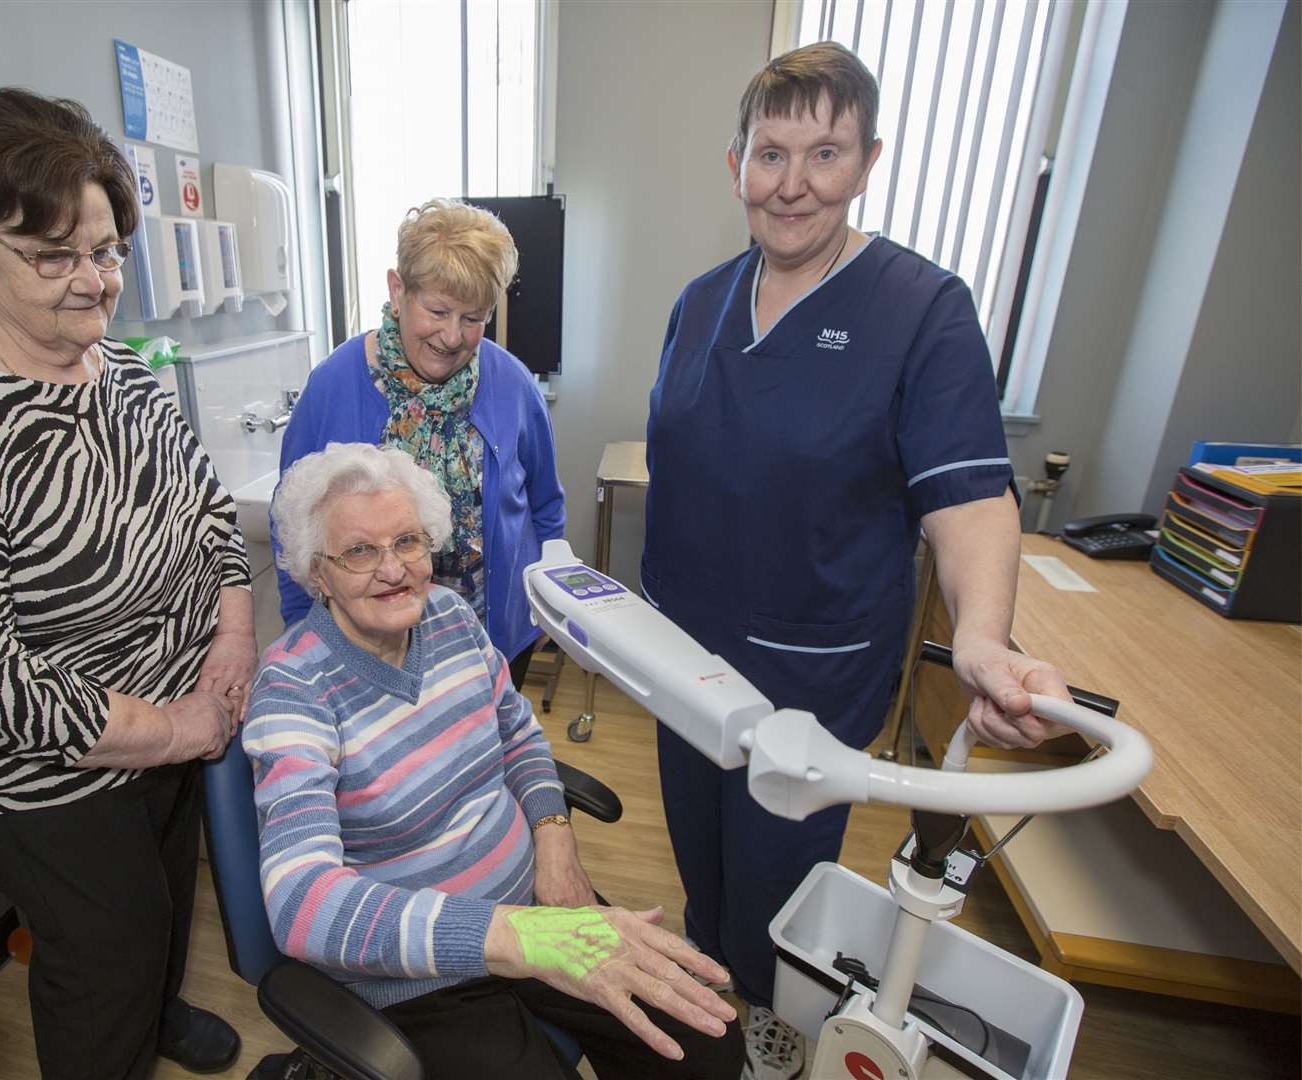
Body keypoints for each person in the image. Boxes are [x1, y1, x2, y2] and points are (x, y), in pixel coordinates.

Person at [642, 44, 1074, 1080]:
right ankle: (721, 1028)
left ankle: (773, 1038)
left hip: (810, 674)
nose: (793, 182)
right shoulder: (700, 302)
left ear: (869, 160)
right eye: (770, 153)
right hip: (684, 665)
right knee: (702, 875)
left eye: (825, 153)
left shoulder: (921, 310)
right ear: (735, 162)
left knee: (776, 893)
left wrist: (981, 637)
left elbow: (969, 494)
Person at [0, 88, 253, 1080]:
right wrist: (176, 729)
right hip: (44, 772)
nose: (94, 282)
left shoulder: (117, 369)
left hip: (171, 721)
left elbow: (207, 508)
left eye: (109, 250)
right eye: (55, 256)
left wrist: (232, 638)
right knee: (101, 958)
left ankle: (156, 1011)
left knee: (160, 908)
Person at [245, 443, 744, 1079]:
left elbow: (519, 736)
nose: (394, 569)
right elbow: (301, 905)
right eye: (360, 551)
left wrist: (555, 839)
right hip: (420, 977)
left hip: (537, 907)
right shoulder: (293, 688)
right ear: (317, 573)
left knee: (708, 1042)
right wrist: (516, 937)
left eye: (409, 541)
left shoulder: (451, 617)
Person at [275, 199, 564, 687]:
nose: (452, 336)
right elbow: (290, 527)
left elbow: (545, 506)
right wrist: (304, 632)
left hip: (491, 642)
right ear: (397, 289)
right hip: (363, 648)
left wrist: (540, 605)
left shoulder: (512, 386)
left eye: (474, 318)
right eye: (437, 310)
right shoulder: (333, 386)